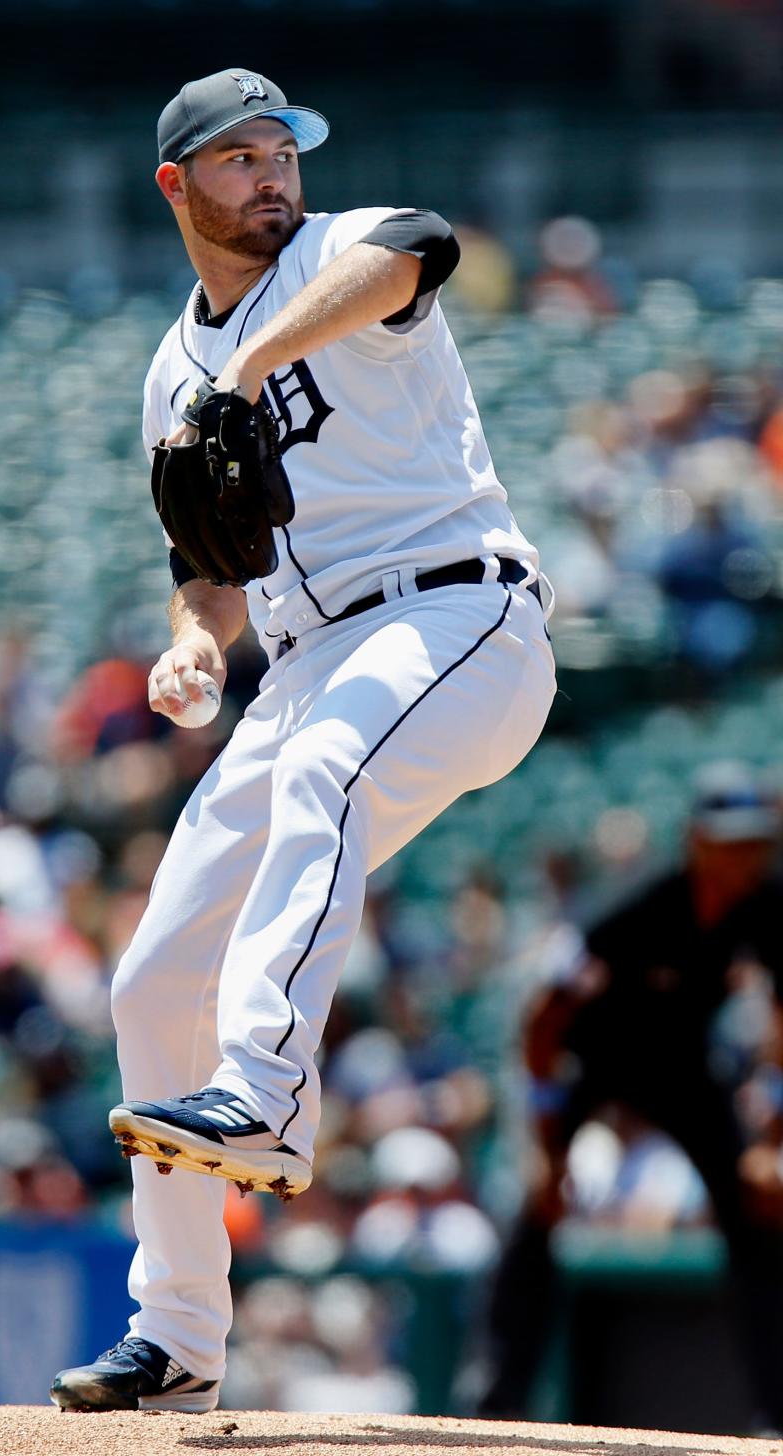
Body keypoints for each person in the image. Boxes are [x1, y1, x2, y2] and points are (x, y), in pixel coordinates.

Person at [51, 67, 556, 1414]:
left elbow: (422, 248)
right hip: (312, 661)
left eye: (284, 151)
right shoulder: (174, 363)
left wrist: (255, 362)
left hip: (460, 619)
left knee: (329, 768)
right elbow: (209, 552)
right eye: (240, 160)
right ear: (178, 186)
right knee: (154, 980)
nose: (274, 177)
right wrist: (196, 640)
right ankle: (178, 1340)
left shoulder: (339, 252)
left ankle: (267, 1092)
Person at [478, 763, 783, 1427]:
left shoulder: (765, 904)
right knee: (540, 1214)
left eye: (757, 841)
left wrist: (772, 1141)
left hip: (684, 1070)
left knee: (760, 1213)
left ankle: (775, 1413)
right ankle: (497, 1404)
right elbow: (544, 1019)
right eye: (733, 840)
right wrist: (547, 1137)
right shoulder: (637, 904)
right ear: (697, 840)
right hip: (597, 1061)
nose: (746, 856)